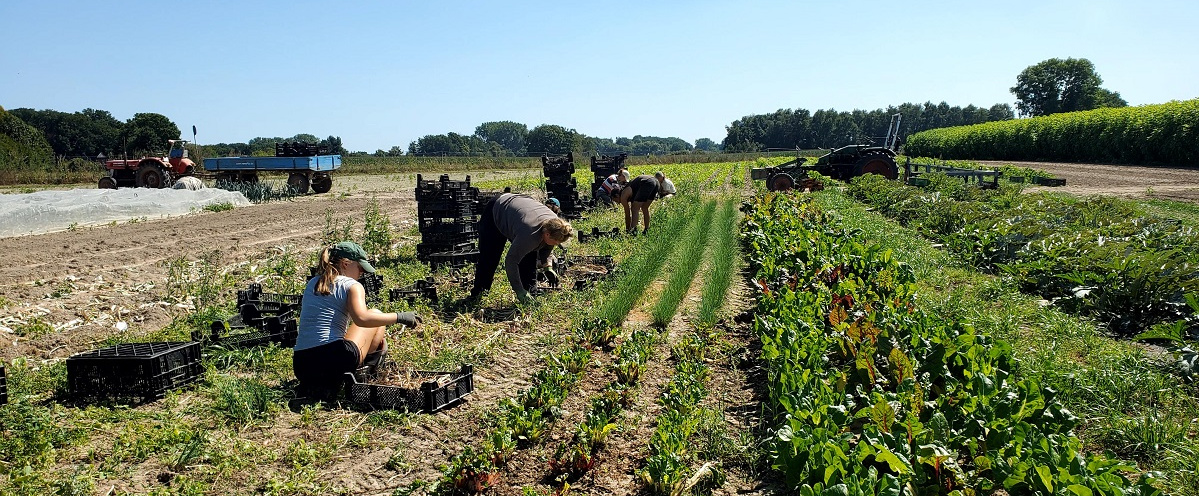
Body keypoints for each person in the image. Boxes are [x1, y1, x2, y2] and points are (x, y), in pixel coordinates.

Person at [293, 241, 420, 398]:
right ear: (346, 264)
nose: (361, 273)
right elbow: (362, 319)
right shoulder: (351, 285)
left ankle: (319, 385)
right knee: (376, 314)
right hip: (334, 360)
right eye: (360, 268)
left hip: (302, 366)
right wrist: (399, 317)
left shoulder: (313, 283)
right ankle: (362, 371)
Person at [471, 193, 573, 303]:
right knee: (490, 256)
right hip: (496, 209)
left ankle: (530, 292)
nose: (556, 245)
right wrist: (518, 290)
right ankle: (478, 293)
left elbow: (547, 247)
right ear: (547, 234)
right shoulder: (529, 234)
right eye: (555, 242)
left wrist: (547, 266)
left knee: (530, 254)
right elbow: (511, 261)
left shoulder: (556, 224)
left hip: (521, 210)